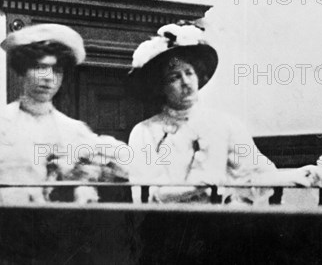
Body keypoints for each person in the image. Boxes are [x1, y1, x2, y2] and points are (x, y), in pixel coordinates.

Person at [127, 21, 312, 204]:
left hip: (218, 225)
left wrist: (303, 174)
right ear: (161, 87)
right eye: (174, 77)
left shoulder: (225, 125)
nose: (185, 82)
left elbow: (258, 174)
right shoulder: (145, 133)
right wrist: (194, 187)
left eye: (189, 73)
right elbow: (143, 195)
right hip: (167, 228)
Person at [0, 24, 127, 204]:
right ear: (23, 71)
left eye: (57, 70)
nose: (48, 78)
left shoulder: (74, 130)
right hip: (6, 223)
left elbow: (122, 165)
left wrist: (90, 173)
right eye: (40, 67)